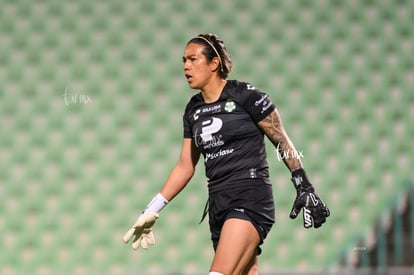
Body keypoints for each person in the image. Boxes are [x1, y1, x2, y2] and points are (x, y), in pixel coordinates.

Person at [123, 33, 330, 275]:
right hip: (218, 203)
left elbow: (281, 140)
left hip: (249, 196)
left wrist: (303, 185)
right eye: (183, 61)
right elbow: (185, 166)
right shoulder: (193, 109)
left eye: (192, 59)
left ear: (214, 64)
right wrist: (151, 209)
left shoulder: (246, 96)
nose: (185, 67)